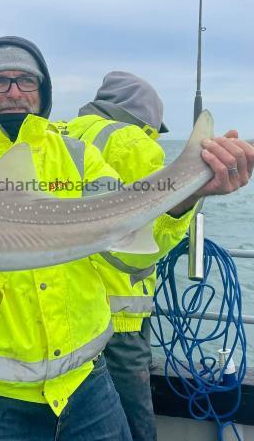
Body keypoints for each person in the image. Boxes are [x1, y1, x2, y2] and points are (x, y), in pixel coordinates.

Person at [0, 37, 254, 441]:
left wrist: (182, 202)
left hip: (87, 381)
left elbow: (130, 262)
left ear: (43, 90)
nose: (14, 92)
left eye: (27, 81)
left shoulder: (80, 158)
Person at [61, 71, 196, 440]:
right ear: (146, 117)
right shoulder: (133, 142)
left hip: (68, 314)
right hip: (121, 315)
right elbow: (158, 226)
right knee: (134, 419)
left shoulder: (61, 134)